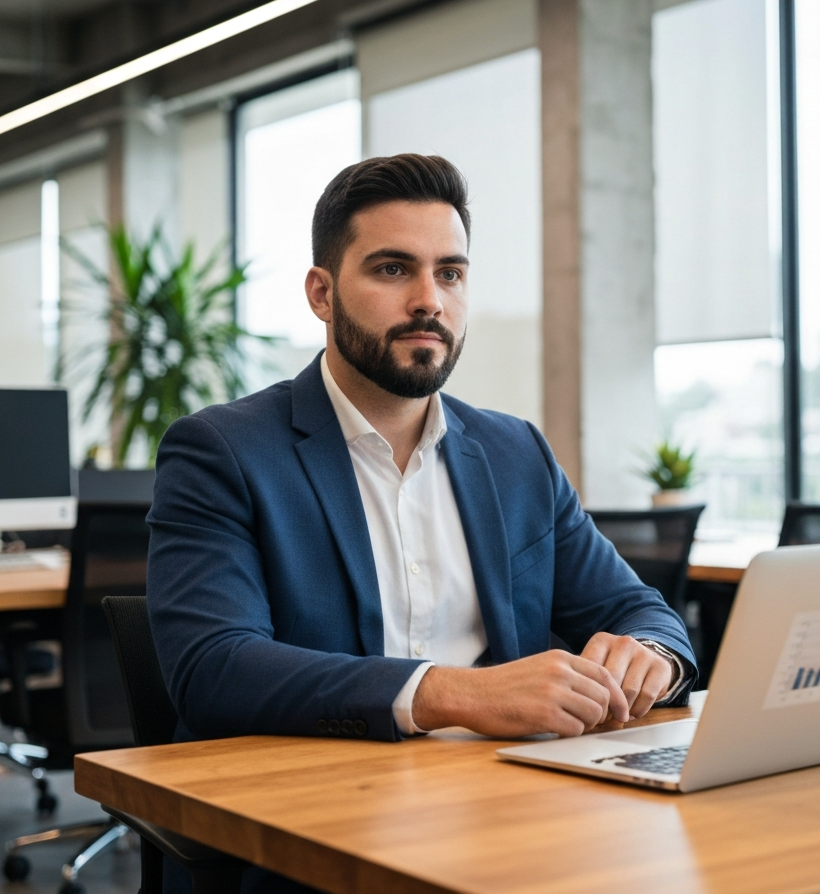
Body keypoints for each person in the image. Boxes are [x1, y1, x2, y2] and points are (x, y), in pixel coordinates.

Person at [147, 153, 696, 890]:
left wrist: (652, 654)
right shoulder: (225, 451)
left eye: (450, 273)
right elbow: (213, 668)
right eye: (392, 270)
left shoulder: (515, 452)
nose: (429, 300)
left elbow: (641, 611)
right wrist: (455, 693)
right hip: (312, 831)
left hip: (514, 817)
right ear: (322, 292)